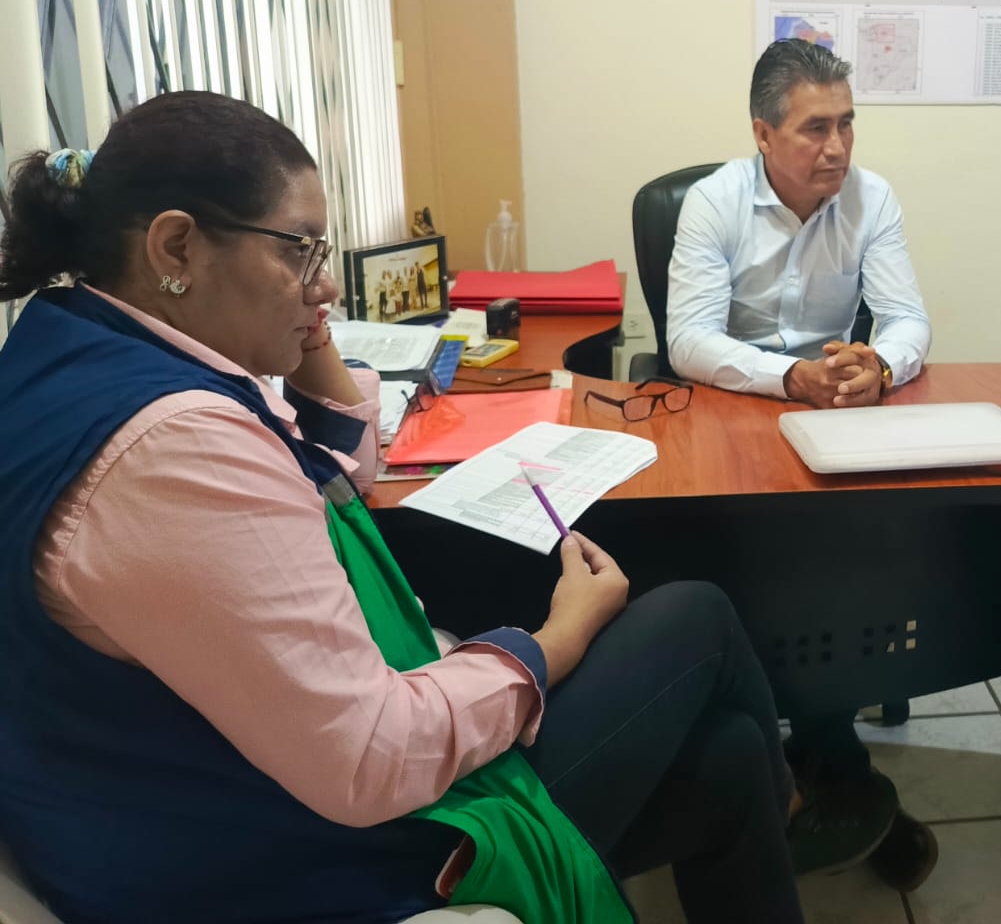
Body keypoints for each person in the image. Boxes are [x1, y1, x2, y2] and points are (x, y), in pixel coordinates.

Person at [0, 92, 804, 924]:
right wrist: (556, 640)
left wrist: (299, 318)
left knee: (730, 758)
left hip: (185, 799)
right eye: (299, 250)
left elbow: (336, 474)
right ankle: (793, 801)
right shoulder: (178, 445)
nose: (323, 284)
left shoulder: (75, 344)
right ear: (177, 246)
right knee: (697, 616)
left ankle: (778, 797)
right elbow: (371, 759)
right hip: (294, 855)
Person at [665, 38, 937, 890]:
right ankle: (828, 766)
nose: (838, 147)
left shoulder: (871, 197)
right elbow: (687, 341)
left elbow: (909, 319)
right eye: (816, 128)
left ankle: (821, 758)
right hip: (734, 414)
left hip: (832, 419)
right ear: (763, 133)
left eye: (847, 124)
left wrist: (879, 363)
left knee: (850, 560)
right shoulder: (713, 203)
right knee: (760, 569)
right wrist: (787, 378)